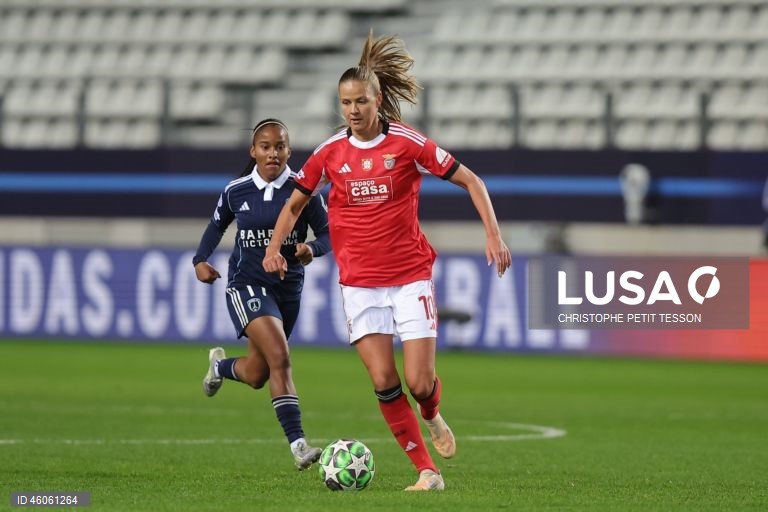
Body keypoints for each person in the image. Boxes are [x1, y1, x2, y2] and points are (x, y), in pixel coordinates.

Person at [262, 34, 512, 491]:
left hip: (409, 275)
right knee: (383, 378)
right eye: (345, 103)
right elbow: (295, 205)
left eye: (361, 101)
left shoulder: (407, 144)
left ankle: (433, 415)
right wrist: (274, 247)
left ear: (378, 101)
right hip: (359, 283)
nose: (353, 110)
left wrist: (493, 235)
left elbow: (472, 181)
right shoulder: (329, 153)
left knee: (419, 383)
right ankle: (427, 472)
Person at [192, 118, 331, 471]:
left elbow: (330, 235)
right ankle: (299, 445)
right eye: (265, 147)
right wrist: (200, 260)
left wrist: (311, 249)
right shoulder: (236, 190)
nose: (273, 153)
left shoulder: (304, 190)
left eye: (280, 147)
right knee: (281, 357)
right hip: (246, 285)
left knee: (258, 374)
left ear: (289, 150)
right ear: (253, 151)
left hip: (288, 290)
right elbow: (216, 226)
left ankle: (219, 366)